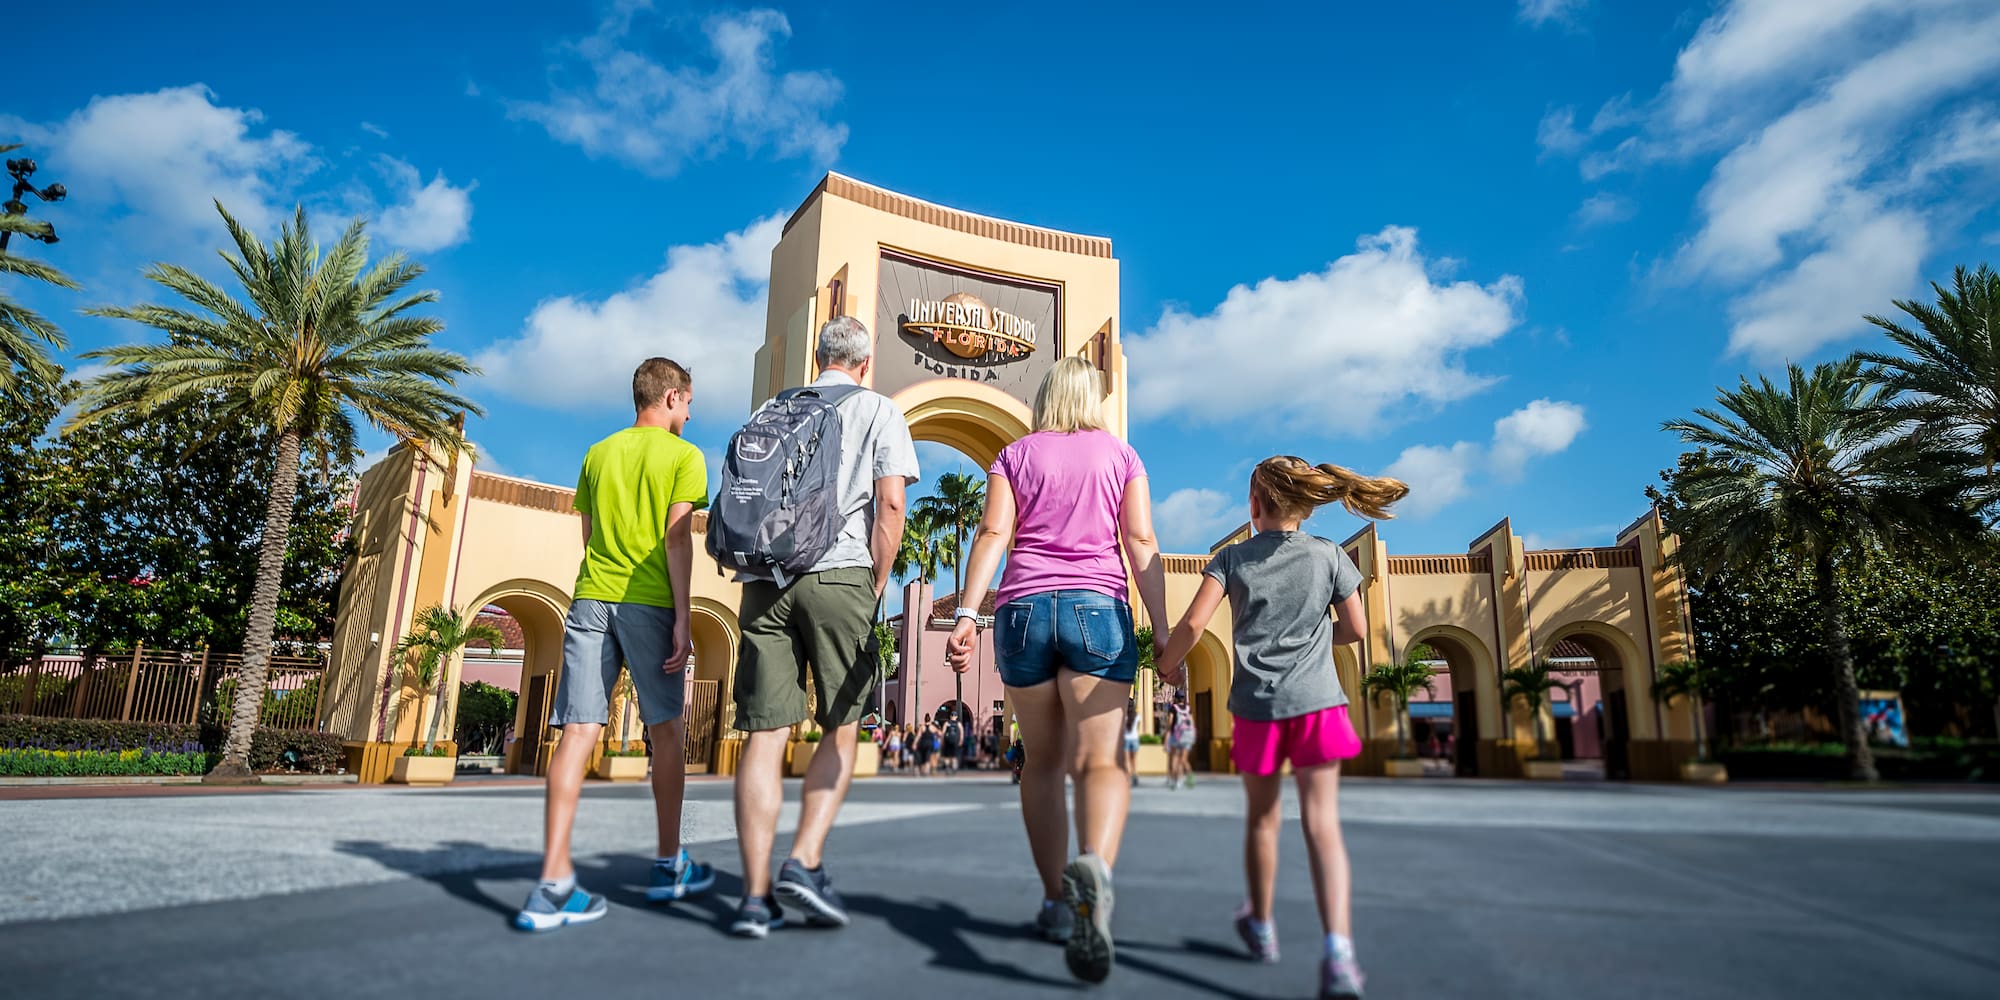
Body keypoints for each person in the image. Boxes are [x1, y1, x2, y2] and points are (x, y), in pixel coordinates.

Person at [946, 356, 1168, 983]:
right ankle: (1094, 866)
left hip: (1021, 614)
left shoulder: (1014, 455)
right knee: (1100, 761)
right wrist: (1165, 627)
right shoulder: (1121, 456)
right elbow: (1141, 543)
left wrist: (967, 615)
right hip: (1097, 610)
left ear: (1045, 398)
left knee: (1041, 763)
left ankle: (1053, 901)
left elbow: (992, 533)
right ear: (1093, 398)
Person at [1157, 455, 1408, 1000]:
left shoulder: (1231, 559)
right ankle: (1339, 953)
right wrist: (1318, 639)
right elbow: (1357, 629)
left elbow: (1194, 622)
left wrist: (1168, 663)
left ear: (1254, 506)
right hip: (1319, 705)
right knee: (1322, 825)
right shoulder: (1331, 556)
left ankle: (1263, 927)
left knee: (1263, 822)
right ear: (1306, 503)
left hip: (1256, 710)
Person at [728, 316, 919, 939]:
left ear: (818, 357)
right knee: (841, 726)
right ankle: (804, 859)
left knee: (764, 735)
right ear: (865, 363)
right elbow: (890, 504)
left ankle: (754, 898)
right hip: (839, 575)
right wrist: (875, 579)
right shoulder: (877, 410)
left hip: (763, 582)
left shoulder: (773, 407)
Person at [515, 358, 715, 932]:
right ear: (672, 397)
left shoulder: (597, 454)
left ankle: (552, 884)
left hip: (589, 598)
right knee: (667, 730)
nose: (690, 413)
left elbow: (587, 536)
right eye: (689, 402)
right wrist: (683, 616)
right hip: (650, 603)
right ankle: (668, 863)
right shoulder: (685, 457)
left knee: (577, 733)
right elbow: (679, 541)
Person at [1165, 692, 1196, 789]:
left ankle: (1175, 780)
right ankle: (1188, 776)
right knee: (1183, 759)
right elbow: (1192, 722)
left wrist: (1167, 732)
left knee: (1175, 757)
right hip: (1188, 735)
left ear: (1175, 698)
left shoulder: (1173, 708)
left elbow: (1170, 722)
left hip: (1177, 735)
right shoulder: (1188, 708)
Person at [1121, 701, 1141, 787]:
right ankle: (1135, 774)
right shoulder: (1137, 716)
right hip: (1135, 739)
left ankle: (1128, 778)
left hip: (1126, 739)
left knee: (1126, 760)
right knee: (1134, 759)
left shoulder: (1124, 716)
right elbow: (1138, 727)